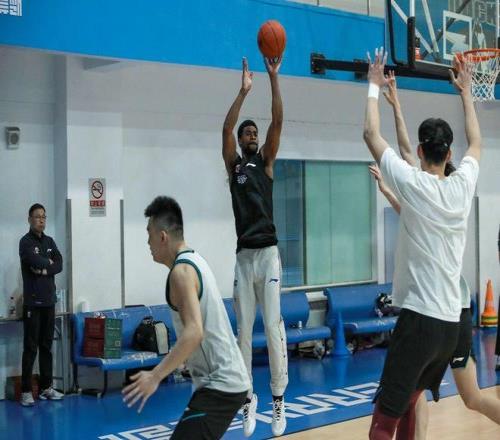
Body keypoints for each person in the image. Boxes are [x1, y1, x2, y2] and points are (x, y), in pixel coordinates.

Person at [371, 70, 500, 438]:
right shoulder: (458, 185)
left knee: (438, 398)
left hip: (437, 312)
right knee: (442, 397)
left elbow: (404, 152)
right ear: (449, 153)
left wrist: (386, 100)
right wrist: (399, 107)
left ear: (425, 152)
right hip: (453, 316)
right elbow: (419, 154)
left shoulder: (427, 185)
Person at [122, 196, 250, 440]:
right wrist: (184, 357)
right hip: (223, 382)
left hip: (220, 384)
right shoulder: (195, 260)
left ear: (162, 236)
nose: (147, 242)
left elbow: (194, 332)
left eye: (149, 234)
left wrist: (155, 376)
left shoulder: (181, 273)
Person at [221, 56, 288, 437]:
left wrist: (273, 78)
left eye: (253, 132)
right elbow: (225, 128)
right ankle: (249, 400)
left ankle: (278, 399)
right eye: (246, 132)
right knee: (243, 333)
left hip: (268, 255)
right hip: (244, 259)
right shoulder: (234, 167)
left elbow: (278, 120)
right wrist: (243, 91)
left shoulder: (265, 163)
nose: (250, 134)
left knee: (273, 327)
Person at [19, 203, 64, 407]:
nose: (41, 220)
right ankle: (26, 391)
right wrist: (48, 263)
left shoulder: (50, 241)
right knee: (31, 347)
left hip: (49, 302)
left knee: (46, 346)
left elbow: (59, 263)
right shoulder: (25, 242)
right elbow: (34, 260)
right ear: (30, 219)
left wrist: (45, 269)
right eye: (37, 217)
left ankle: (46, 388)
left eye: (44, 217)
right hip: (33, 303)